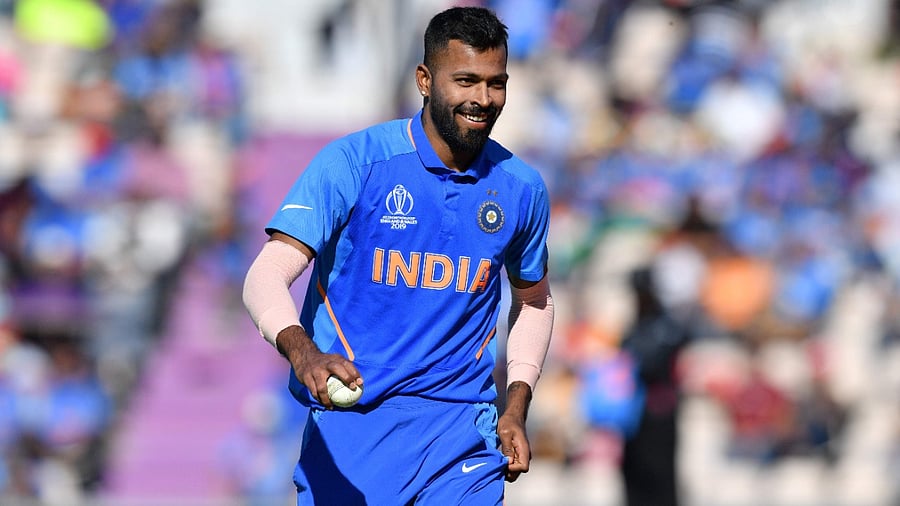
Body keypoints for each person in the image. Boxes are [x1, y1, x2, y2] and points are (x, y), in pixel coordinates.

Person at [241, 6, 554, 505]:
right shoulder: (355, 163)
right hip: (354, 428)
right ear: (425, 79)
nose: (482, 99)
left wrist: (515, 403)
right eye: (466, 80)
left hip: (461, 433)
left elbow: (534, 301)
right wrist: (305, 354)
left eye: (496, 83)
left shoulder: (521, 189)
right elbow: (265, 275)